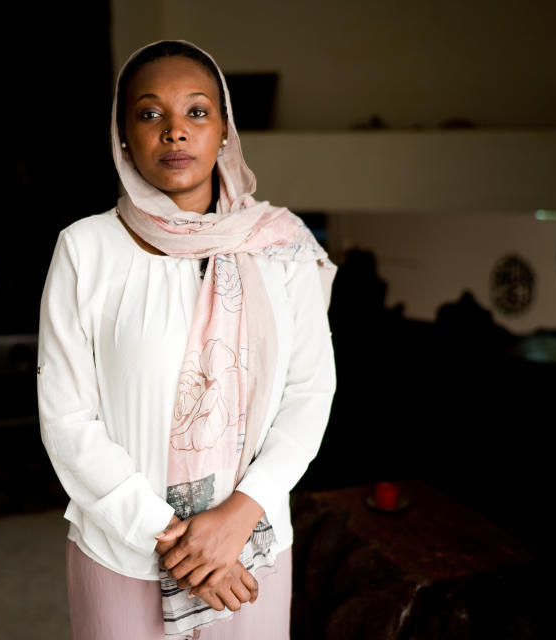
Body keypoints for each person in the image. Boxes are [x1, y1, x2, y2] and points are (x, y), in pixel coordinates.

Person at [37, 40, 336, 639]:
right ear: (122, 135)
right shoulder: (86, 249)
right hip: (123, 553)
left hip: (249, 552)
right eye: (151, 114)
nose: (176, 132)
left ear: (224, 128)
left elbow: (310, 391)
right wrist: (175, 541)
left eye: (197, 112)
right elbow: (67, 419)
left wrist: (238, 516)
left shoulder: (281, 247)